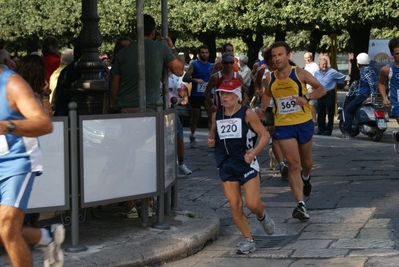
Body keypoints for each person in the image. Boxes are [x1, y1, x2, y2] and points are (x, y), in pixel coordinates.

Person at [110, 14, 184, 218]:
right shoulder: (161, 48)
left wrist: (115, 105)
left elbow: (114, 84)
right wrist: (171, 47)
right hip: (151, 111)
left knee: (127, 156)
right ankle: (149, 202)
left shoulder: (124, 53)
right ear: (153, 32)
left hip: (126, 111)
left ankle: (131, 203)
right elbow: (179, 70)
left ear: (135, 32)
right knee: (149, 158)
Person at [0, 65, 65, 266]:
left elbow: (44, 123)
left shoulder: (13, 84)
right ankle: (46, 237)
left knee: (7, 227)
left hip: (17, 161)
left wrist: (8, 126)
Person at [257, 41, 326, 221]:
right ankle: (301, 205)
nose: (277, 58)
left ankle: (307, 176)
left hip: (303, 123)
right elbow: (266, 95)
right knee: (293, 164)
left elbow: (321, 89)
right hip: (283, 125)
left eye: (280, 55)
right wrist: (262, 110)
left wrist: (306, 97)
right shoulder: (270, 78)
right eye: (274, 56)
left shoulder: (300, 74)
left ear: (288, 56)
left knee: (306, 162)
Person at [207, 78, 275, 255]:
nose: (224, 97)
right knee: (235, 205)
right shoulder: (218, 115)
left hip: (246, 164)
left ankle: (261, 214)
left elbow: (265, 135)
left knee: (252, 204)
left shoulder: (247, 113)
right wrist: (211, 140)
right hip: (226, 165)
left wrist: (253, 153)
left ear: (237, 95)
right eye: (221, 93)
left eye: (228, 93)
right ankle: (248, 240)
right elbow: (213, 134)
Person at [257, 47, 288, 180]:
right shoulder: (263, 71)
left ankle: (286, 158)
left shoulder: (286, 68)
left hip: (284, 107)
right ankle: (282, 164)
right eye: (271, 57)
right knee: (275, 134)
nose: (274, 60)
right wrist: (258, 90)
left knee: (286, 134)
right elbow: (257, 82)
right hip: (269, 106)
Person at [339, 53, 377, 139]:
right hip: (363, 95)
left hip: (363, 95)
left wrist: (371, 96)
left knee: (348, 110)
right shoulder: (371, 69)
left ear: (358, 63)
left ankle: (346, 132)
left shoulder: (365, 71)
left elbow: (372, 84)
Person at [182, 44, 214, 148]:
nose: (204, 54)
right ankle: (192, 135)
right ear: (199, 54)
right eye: (202, 53)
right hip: (196, 94)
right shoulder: (194, 65)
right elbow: (185, 78)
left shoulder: (211, 66)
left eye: (206, 52)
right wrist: (195, 80)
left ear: (208, 53)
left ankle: (211, 138)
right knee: (195, 117)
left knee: (211, 116)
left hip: (207, 94)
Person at [168, 71, 192, 175]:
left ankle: (181, 164)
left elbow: (181, 91)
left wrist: (184, 97)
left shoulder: (172, 82)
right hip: (155, 112)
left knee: (179, 138)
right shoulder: (153, 82)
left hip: (170, 112)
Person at [314, 58, 346, 135]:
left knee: (330, 112)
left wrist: (337, 82)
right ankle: (321, 129)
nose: (324, 65)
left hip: (329, 93)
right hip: (320, 93)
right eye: (323, 64)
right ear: (319, 65)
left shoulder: (332, 72)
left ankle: (328, 130)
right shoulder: (316, 73)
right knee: (320, 112)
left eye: (326, 64)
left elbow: (343, 77)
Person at [378, 38, 399, 153]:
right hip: (396, 102)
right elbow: (381, 83)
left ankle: (397, 136)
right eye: (397, 54)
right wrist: (384, 97)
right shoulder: (387, 69)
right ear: (392, 54)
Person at [304, 52, 319, 124]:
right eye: (306, 58)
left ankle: (314, 120)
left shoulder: (314, 66)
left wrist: (313, 84)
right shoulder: (307, 66)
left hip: (311, 87)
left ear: (311, 58)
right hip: (306, 87)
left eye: (308, 57)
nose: (307, 59)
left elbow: (317, 75)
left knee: (311, 104)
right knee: (308, 104)